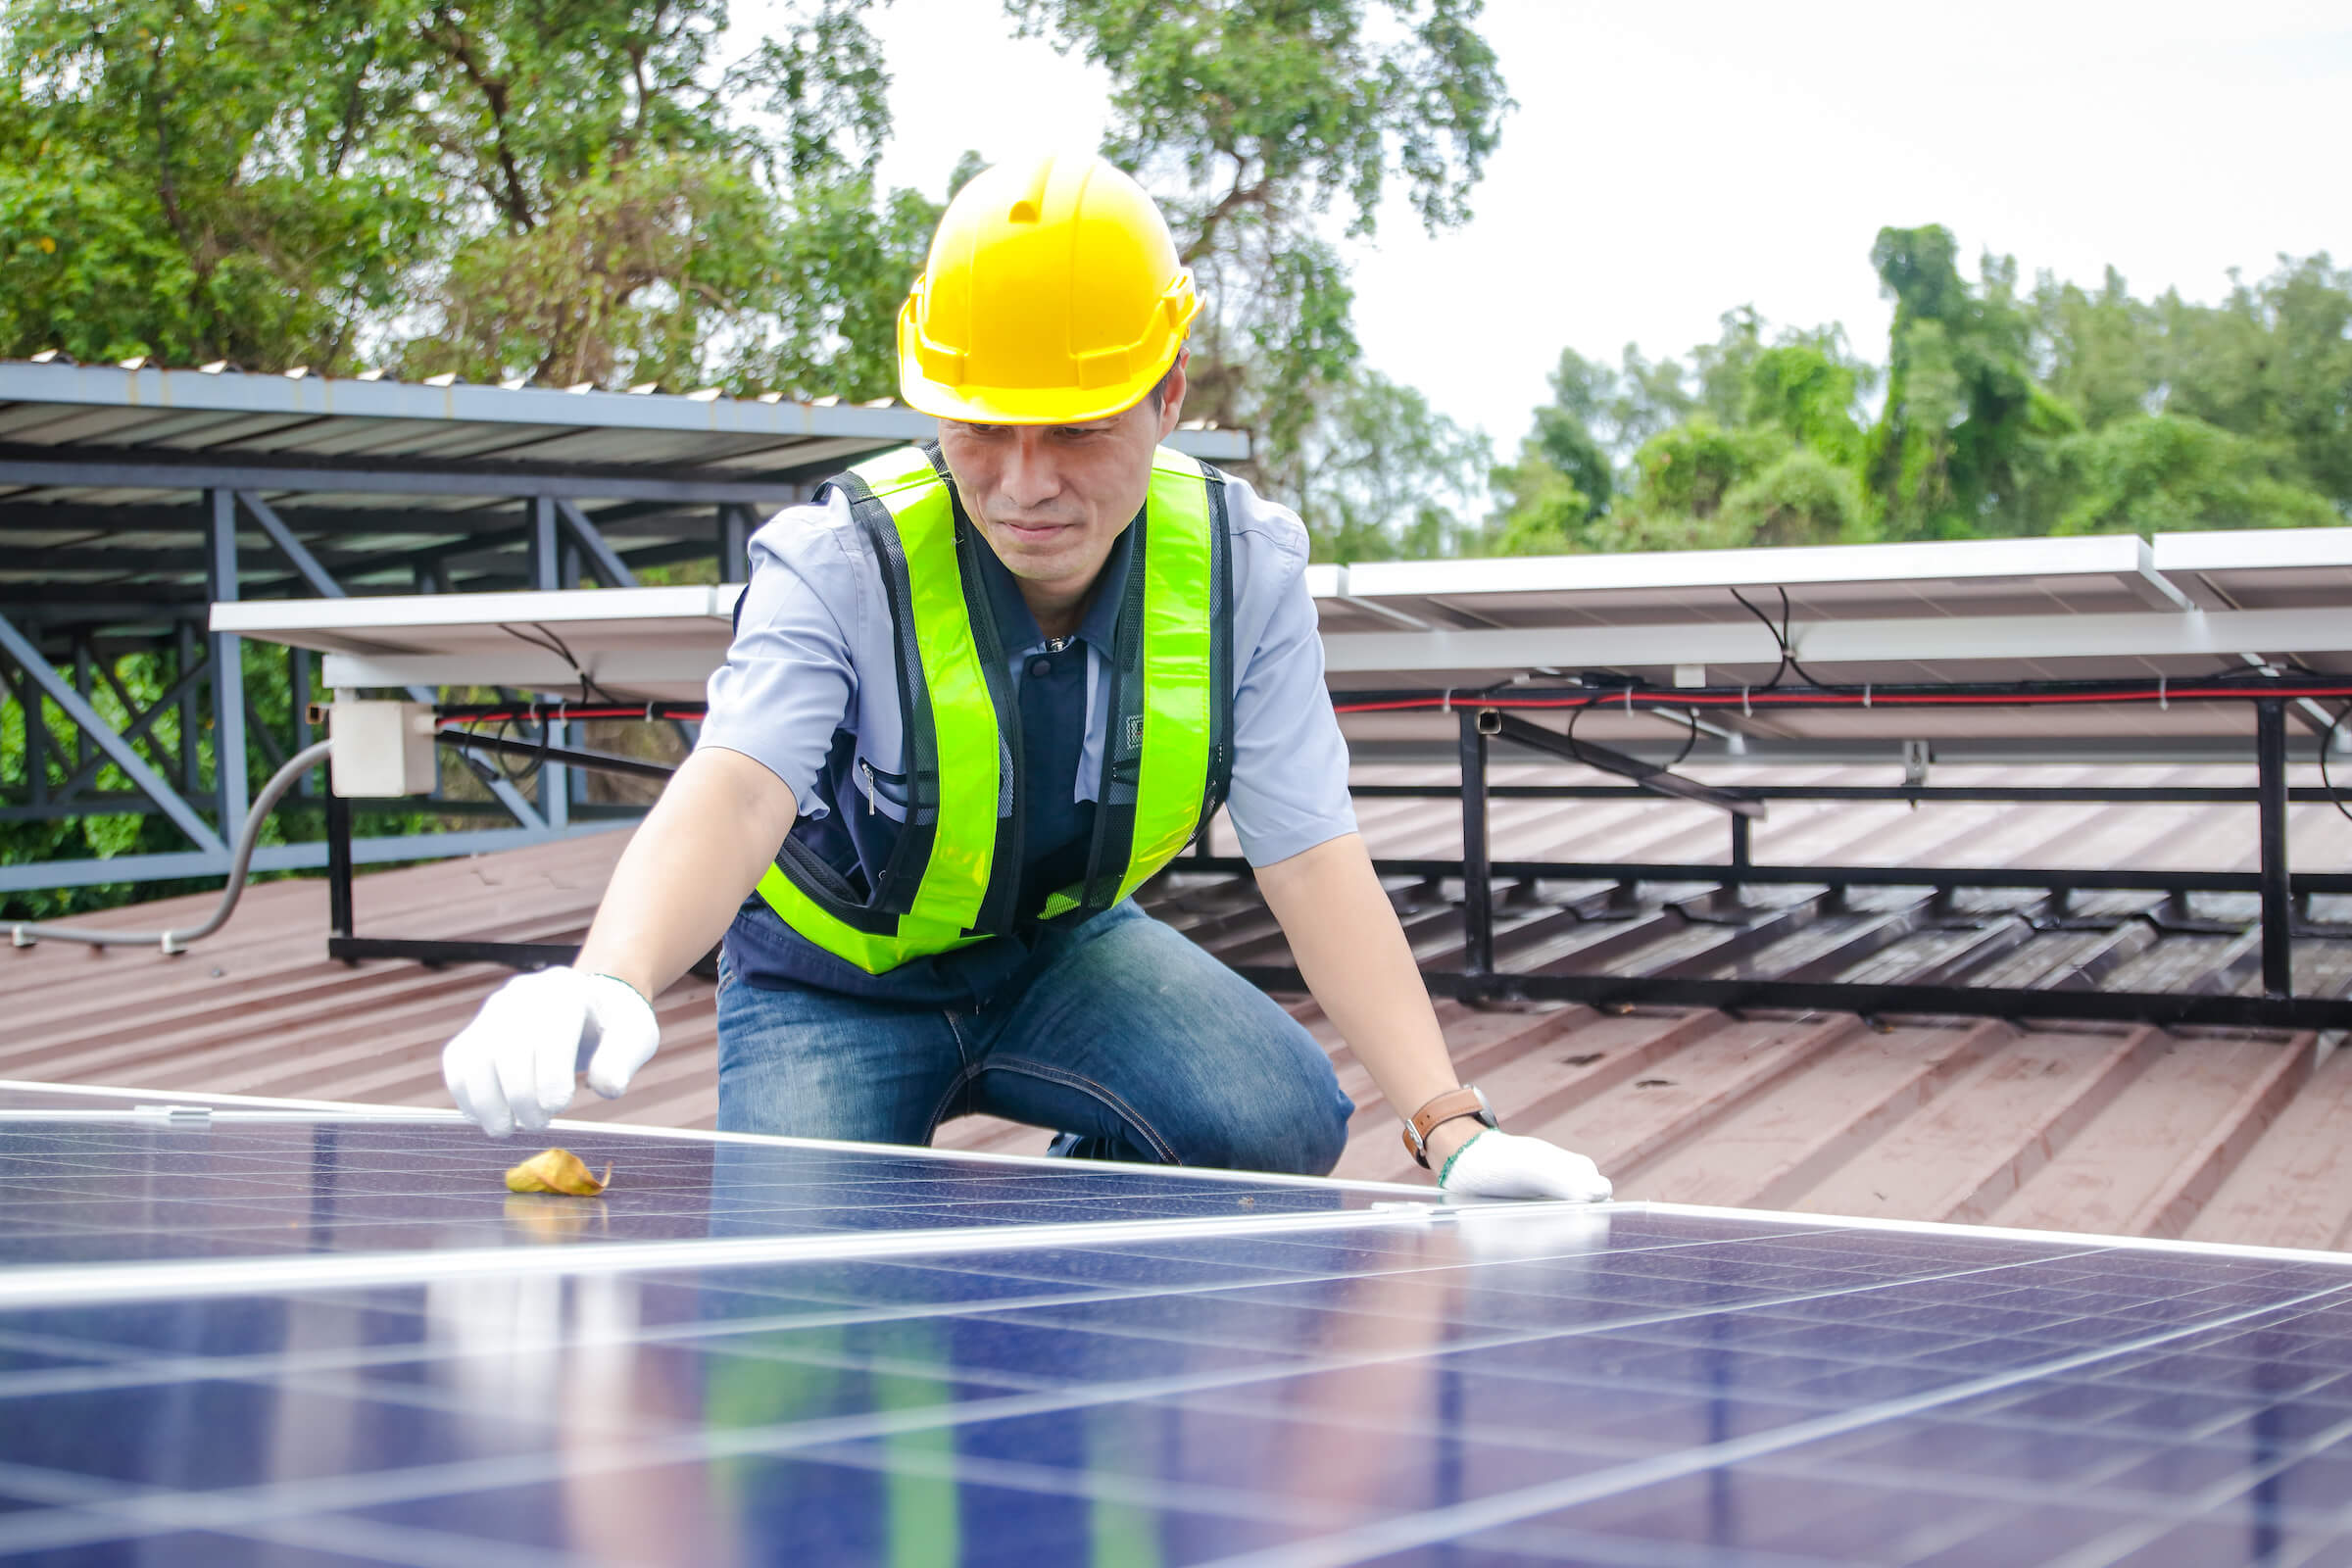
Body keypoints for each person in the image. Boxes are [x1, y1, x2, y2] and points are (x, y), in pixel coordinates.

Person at [438, 153, 1611, 1202]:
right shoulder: (839, 558)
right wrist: (610, 978)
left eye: (1077, 430)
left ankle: (1036, 1251)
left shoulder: (1243, 567)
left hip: (1063, 955)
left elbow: (1307, 851)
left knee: (1280, 1120)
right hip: (830, 987)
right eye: (982, 428)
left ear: (1169, 396)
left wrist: (1451, 1129)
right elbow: (739, 784)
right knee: (795, 1304)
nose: (1022, 483)